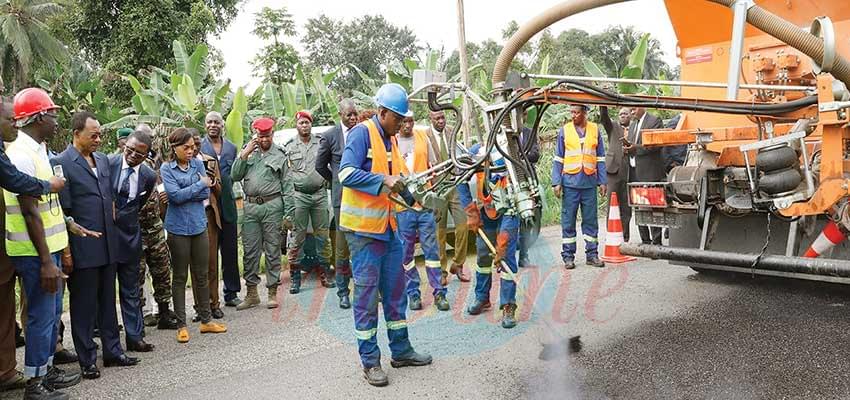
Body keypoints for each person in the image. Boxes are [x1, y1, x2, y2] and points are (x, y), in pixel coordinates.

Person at [339, 83, 432, 387]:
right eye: (398, 118)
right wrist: (384, 179)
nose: (403, 123)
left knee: (395, 293)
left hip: (389, 229)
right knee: (366, 299)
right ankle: (370, 362)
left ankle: (401, 350)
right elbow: (346, 174)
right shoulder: (361, 133)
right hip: (364, 234)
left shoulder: (389, 139)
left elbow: (397, 182)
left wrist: (417, 195)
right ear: (382, 112)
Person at [1, 90, 79, 398]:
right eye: (53, 115)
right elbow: (30, 211)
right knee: (40, 316)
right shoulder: (21, 154)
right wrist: (46, 260)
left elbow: (48, 206)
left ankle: (46, 371)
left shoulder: (37, 150)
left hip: (48, 248)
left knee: (50, 314)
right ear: (38, 118)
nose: (57, 121)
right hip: (35, 252)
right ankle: (35, 384)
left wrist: (69, 228)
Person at [54, 111, 140, 380]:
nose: (99, 139)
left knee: (107, 301)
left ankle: (113, 352)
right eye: (94, 135)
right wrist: (67, 251)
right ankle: (87, 359)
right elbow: (63, 210)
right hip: (83, 247)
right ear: (76, 134)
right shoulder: (62, 163)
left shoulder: (102, 160)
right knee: (83, 306)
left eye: (100, 134)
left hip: (107, 245)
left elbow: (109, 198)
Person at [161, 128, 227, 343]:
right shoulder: (166, 168)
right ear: (175, 148)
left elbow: (205, 194)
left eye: (193, 147)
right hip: (178, 228)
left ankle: (206, 321)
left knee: (202, 274)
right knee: (180, 277)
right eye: (186, 147)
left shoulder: (198, 164)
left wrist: (192, 190)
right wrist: (198, 184)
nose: (191, 151)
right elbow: (175, 197)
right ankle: (181, 324)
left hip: (199, 225)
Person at [109, 130, 157, 353]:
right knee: (106, 292)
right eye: (129, 150)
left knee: (131, 290)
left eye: (138, 154)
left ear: (146, 155)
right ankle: (110, 342)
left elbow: (138, 204)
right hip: (106, 238)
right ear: (123, 146)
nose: (131, 156)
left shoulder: (148, 176)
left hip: (131, 238)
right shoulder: (107, 165)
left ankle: (135, 337)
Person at [231, 118, 286, 310]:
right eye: (260, 136)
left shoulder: (280, 154)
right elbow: (234, 176)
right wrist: (244, 155)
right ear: (256, 135)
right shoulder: (248, 152)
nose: (264, 140)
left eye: (267, 136)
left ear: (272, 134)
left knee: (272, 250)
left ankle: (272, 292)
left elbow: (287, 185)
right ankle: (252, 293)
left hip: (273, 206)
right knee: (250, 251)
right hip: (251, 208)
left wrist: (289, 213)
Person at [396, 116, 449, 311]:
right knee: (406, 254)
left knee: (431, 251)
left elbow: (433, 172)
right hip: (403, 208)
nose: (408, 125)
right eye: (404, 122)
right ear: (398, 123)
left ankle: (439, 293)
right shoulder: (392, 142)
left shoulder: (422, 138)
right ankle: (413, 294)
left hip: (425, 206)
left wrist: (436, 202)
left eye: (411, 121)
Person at [465, 144, 519, 329]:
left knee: (506, 257)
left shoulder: (512, 155)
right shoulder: (475, 154)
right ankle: (482, 297)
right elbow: (460, 180)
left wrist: (503, 241)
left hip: (509, 209)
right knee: (483, 254)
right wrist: (470, 210)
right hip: (485, 210)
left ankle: (508, 305)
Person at [283, 110, 335, 294]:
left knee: (323, 236)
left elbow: (330, 164)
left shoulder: (321, 143)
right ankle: (295, 278)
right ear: (296, 125)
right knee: (297, 237)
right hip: (299, 196)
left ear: (311, 124)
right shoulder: (288, 147)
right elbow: (285, 175)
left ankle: (325, 273)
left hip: (319, 195)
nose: (304, 126)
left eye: (307, 122)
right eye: (301, 123)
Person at [552, 105, 607, 269]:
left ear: (585, 113)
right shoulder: (565, 130)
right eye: (572, 112)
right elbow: (558, 158)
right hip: (570, 184)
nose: (573, 115)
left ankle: (592, 255)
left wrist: (602, 181)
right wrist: (556, 182)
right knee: (568, 221)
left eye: (576, 112)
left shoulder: (595, 130)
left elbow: (600, 158)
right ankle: (568, 257)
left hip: (589, 183)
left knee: (590, 221)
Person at [316, 99, 359, 309]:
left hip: (362, 198)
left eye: (355, 114)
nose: (352, 118)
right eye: (348, 115)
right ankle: (343, 291)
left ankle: (367, 289)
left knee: (362, 246)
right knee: (342, 250)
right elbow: (319, 165)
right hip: (342, 200)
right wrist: (335, 181)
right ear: (340, 113)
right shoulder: (330, 135)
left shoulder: (362, 132)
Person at [135, 124, 179, 330]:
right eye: (144, 136)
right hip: (135, 229)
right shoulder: (124, 161)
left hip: (155, 226)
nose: (148, 139)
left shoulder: (156, 161)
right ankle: (138, 318)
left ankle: (163, 312)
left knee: (162, 270)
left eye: (150, 137)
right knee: (137, 275)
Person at [200, 112, 242, 308]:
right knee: (209, 255)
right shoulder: (198, 147)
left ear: (222, 125)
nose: (213, 125)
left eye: (216, 122)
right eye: (209, 122)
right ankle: (210, 297)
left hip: (228, 205)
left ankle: (231, 292)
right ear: (205, 125)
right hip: (207, 208)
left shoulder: (232, 148)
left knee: (230, 250)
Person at [424, 110, 469, 285]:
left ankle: (458, 264)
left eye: (442, 117)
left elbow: (460, 153)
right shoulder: (424, 135)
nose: (441, 121)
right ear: (431, 119)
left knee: (463, 225)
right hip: (437, 188)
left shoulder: (451, 131)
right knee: (439, 232)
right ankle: (442, 272)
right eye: (437, 118)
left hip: (453, 185)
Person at [190, 130, 227, 320]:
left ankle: (214, 304)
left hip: (209, 215)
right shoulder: (179, 163)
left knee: (212, 263)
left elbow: (220, 192)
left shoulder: (210, 161)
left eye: (197, 143)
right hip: (189, 217)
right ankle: (199, 307)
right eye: (191, 143)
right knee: (196, 266)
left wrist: (212, 182)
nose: (195, 147)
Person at [625, 107, 664, 245]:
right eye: (630, 110)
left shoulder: (654, 121)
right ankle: (645, 240)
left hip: (649, 172)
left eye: (634, 109)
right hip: (634, 171)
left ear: (642, 107)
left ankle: (656, 241)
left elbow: (656, 145)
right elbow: (632, 144)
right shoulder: (633, 124)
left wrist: (636, 148)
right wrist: (627, 148)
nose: (632, 112)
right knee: (637, 206)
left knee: (653, 206)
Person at [603, 106, 633, 243]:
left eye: (625, 113)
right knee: (612, 204)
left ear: (630, 116)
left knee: (626, 207)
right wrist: (603, 104)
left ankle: (625, 237)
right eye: (620, 114)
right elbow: (604, 118)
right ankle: (611, 235)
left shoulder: (635, 128)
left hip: (630, 170)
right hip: (613, 171)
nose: (623, 115)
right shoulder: (613, 127)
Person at [518, 107, 541, 268]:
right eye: (521, 114)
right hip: (509, 181)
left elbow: (535, 155)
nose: (523, 117)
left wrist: (521, 156)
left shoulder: (529, 133)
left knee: (529, 219)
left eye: (525, 114)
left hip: (528, 179)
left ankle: (524, 255)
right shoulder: (504, 133)